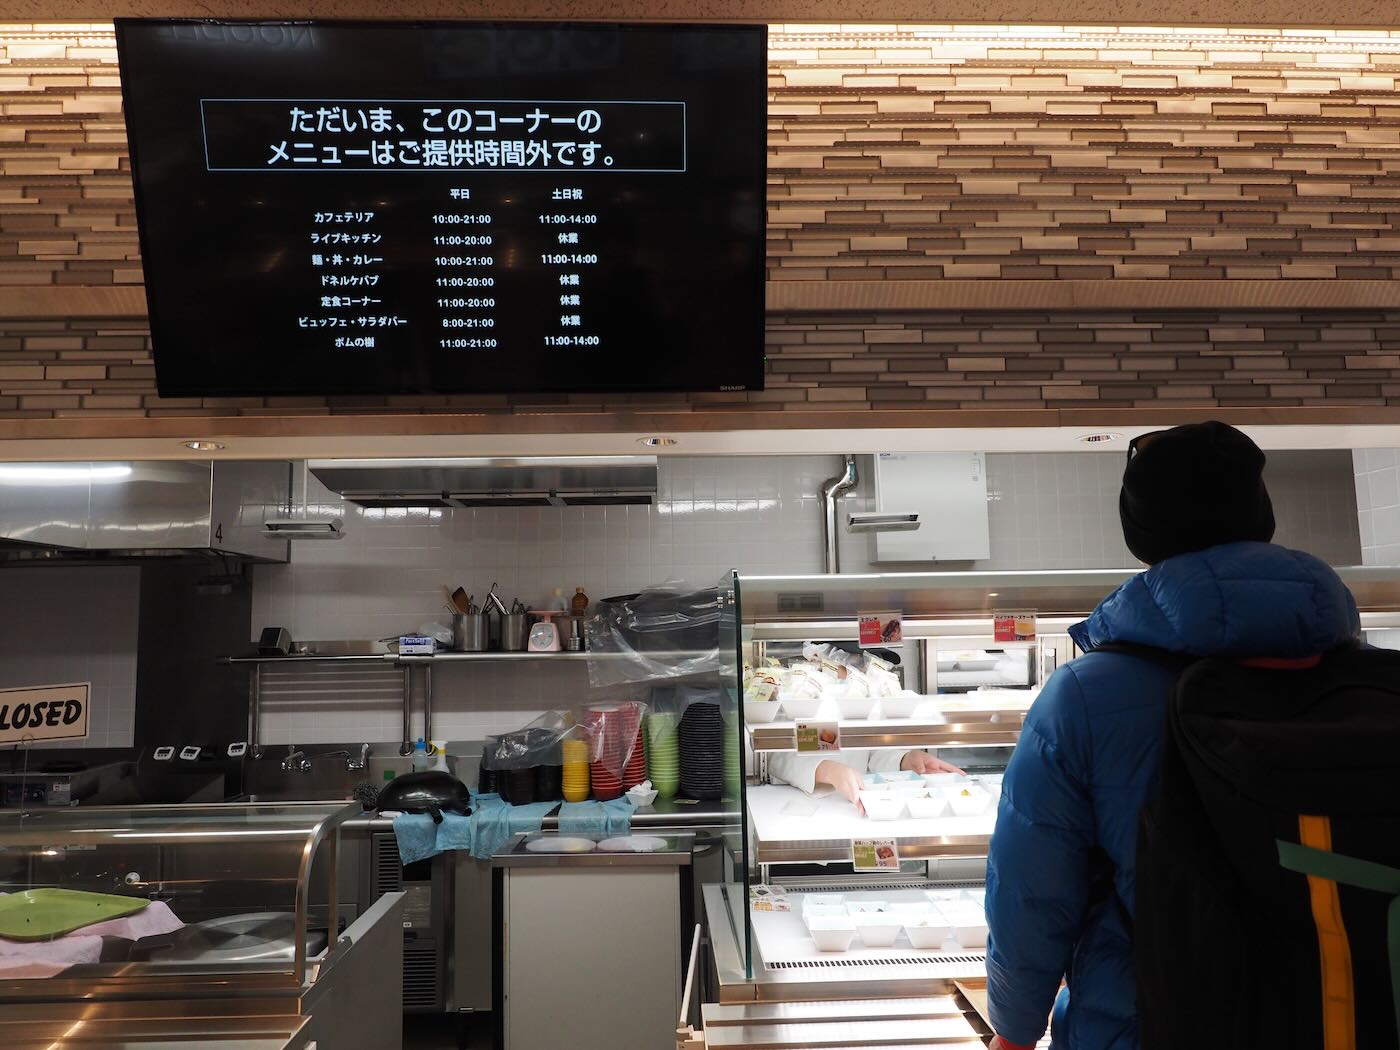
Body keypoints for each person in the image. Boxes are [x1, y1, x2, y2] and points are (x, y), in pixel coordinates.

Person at [984, 422, 1361, 1050]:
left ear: (1142, 536)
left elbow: (1033, 890)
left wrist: (1015, 1031)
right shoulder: (1360, 672)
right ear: (1260, 516)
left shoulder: (1085, 694)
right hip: (1341, 1009)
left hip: (1149, 1020)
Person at [769, 747, 963, 802]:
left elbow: (871, 752)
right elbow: (773, 757)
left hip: (863, 815)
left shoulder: (869, 686)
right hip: (801, 818)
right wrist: (825, 770)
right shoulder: (795, 682)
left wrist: (903, 760)